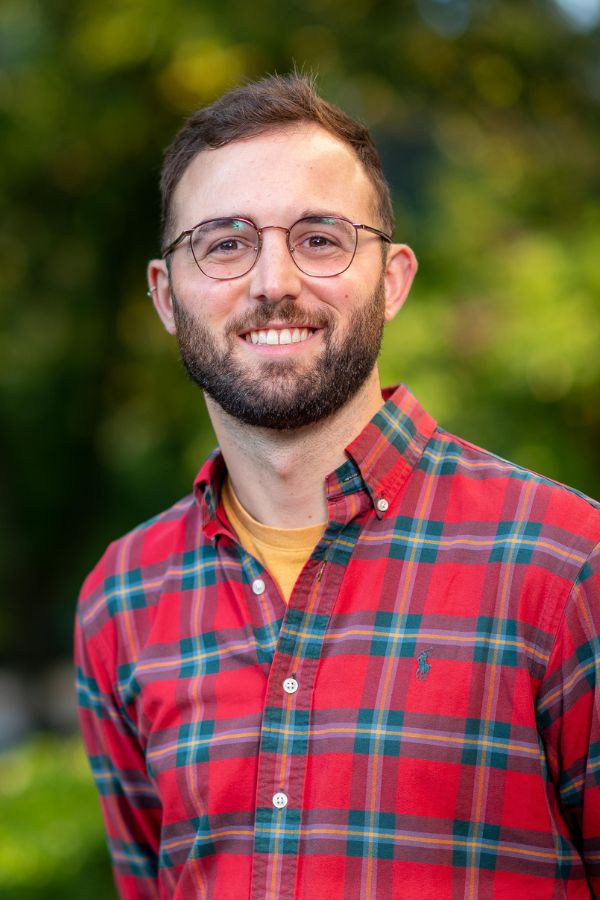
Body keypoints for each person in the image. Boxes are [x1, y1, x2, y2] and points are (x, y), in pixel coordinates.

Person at [75, 73, 600, 899]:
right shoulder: (122, 602)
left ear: (391, 279)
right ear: (166, 296)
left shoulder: (567, 567)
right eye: (223, 242)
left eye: (319, 239)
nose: (273, 281)